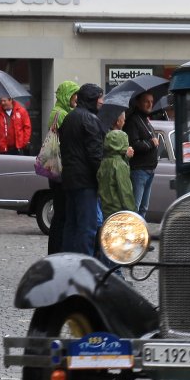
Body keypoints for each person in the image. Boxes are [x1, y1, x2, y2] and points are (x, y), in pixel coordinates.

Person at [59, 82, 106, 256]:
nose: (102, 101)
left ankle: (68, 261)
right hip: (86, 181)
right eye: (100, 98)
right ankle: (84, 263)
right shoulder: (90, 119)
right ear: (92, 99)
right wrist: (102, 178)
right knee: (87, 227)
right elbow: (95, 155)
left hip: (70, 178)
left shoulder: (70, 117)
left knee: (71, 225)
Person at [46, 81, 80, 256]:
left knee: (62, 214)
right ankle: (55, 252)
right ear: (67, 95)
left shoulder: (62, 112)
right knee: (61, 215)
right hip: (59, 169)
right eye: (74, 94)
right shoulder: (61, 114)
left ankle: (57, 252)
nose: (76, 98)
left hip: (59, 169)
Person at [124, 91, 161, 217]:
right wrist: (150, 143)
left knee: (144, 208)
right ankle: (133, 229)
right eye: (146, 101)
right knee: (135, 207)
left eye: (151, 102)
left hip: (149, 170)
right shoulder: (133, 121)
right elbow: (133, 144)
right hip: (139, 171)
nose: (150, 104)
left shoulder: (145, 120)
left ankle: (140, 229)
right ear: (138, 103)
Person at [98, 128, 135, 220]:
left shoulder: (104, 162)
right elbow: (125, 192)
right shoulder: (120, 165)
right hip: (118, 211)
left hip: (106, 209)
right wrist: (133, 213)